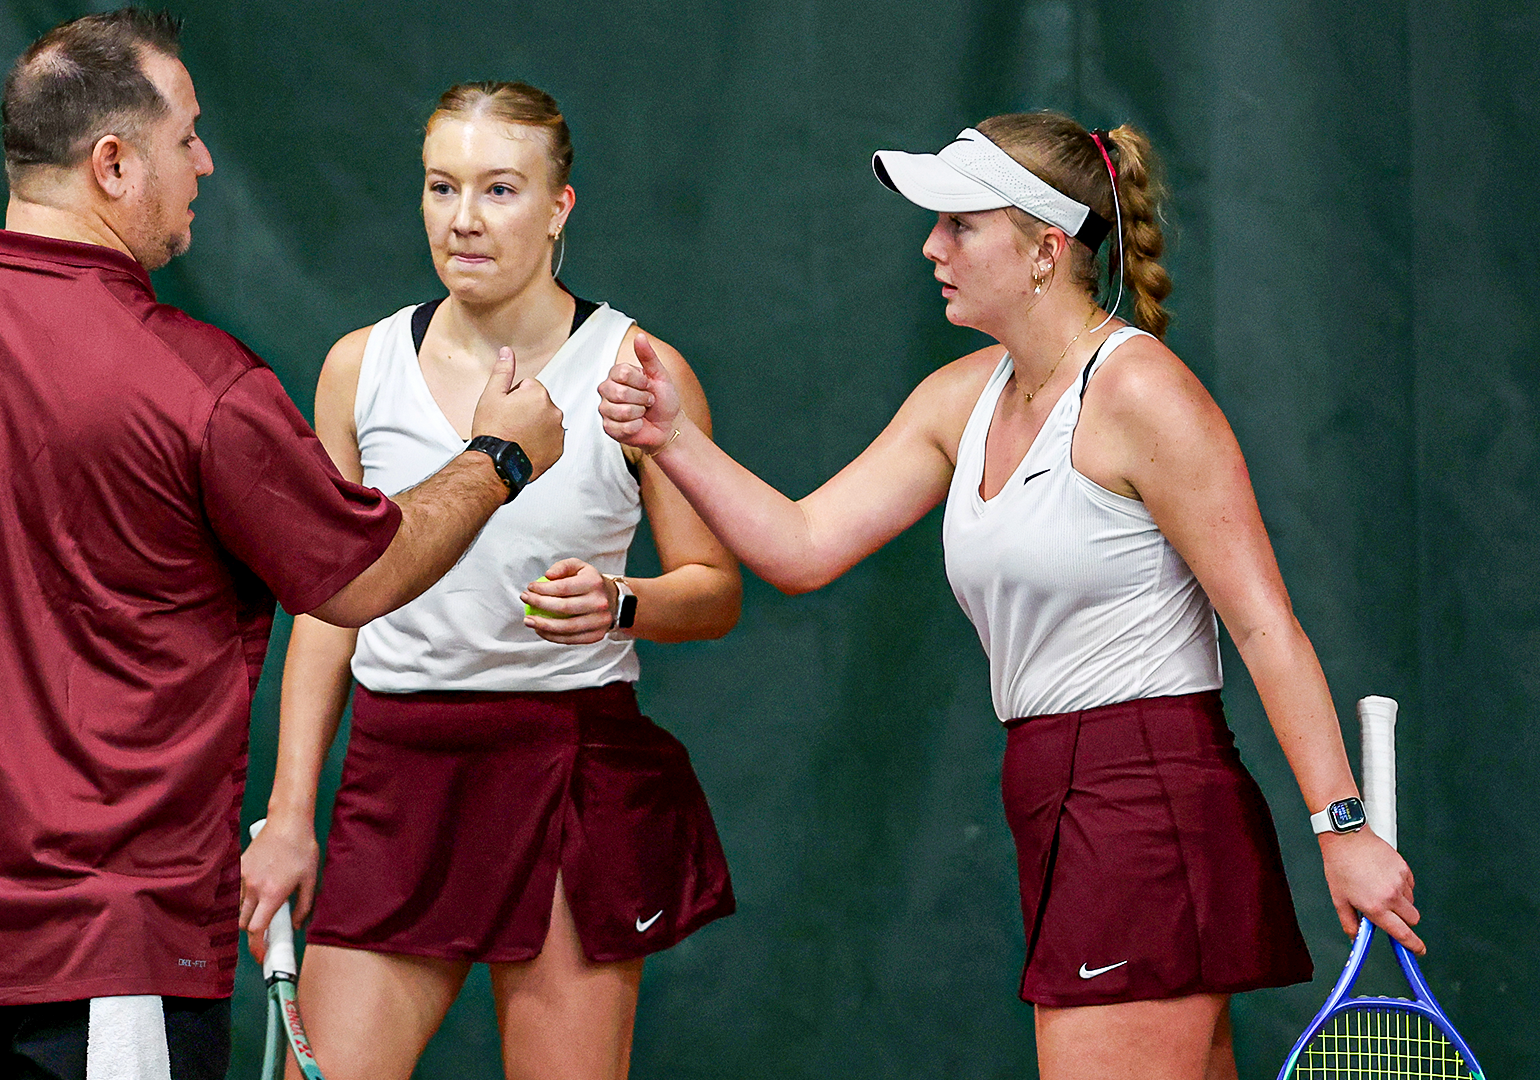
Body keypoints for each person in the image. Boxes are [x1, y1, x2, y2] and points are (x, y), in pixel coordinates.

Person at [0, 12, 564, 1079]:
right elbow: (363, 574)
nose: (207, 163)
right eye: (189, 137)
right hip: (107, 965)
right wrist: (500, 455)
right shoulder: (198, 385)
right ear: (114, 163)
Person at [598, 112, 1421, 1080]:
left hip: (1147, 806)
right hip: (1057, 801)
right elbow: (804, 545)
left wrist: (1344, 828)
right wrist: (672, 440)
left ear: (1043, 248)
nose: (930, 246)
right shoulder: (961, 398)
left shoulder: (1140, 393)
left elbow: (1262, 623)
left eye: (959, 224)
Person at [238, 81, 743, 1080]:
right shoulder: (359, 366)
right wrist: (291, 817)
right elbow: (328, 612)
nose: (463, 218)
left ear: (559, 208)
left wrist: (622, 604)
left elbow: (714, 587)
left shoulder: (638, 368)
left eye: (500, 189)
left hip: (568, 776)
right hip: (398, 777)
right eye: (441, 186)